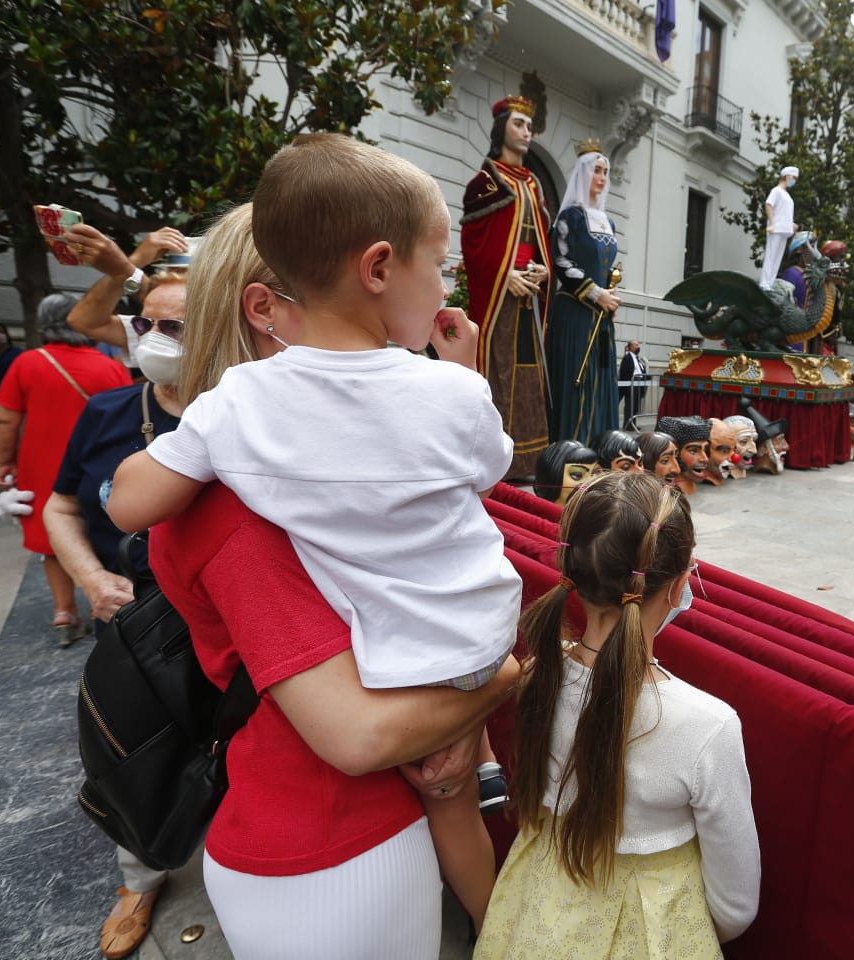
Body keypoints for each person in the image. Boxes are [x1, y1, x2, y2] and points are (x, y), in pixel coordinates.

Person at [107, 136, 519, 938]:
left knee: (450, 802)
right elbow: (488, 469)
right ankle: (505, 935)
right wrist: (505, 679)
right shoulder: (446, 395)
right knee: (457, 810)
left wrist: (178, 456)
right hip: (435, 698)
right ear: (376, 268)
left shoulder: (235, 411)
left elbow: (128, 505)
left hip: (389, 683)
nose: (443, 287)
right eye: (438, 266)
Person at [474, 471, 760, 958]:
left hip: (535, 910)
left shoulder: (539, 672)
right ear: (679, 582)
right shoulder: (708, 727)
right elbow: (735, 907)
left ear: (572, 566)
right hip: (658, 932)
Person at [42, 212, 226, 958]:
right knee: (134, 757)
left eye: (177, 329)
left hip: (222, 628)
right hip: (133, 630)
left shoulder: (240, 413)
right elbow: (59, 505)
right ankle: (139, 879)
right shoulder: (109, 410)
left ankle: (238, 874)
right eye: (148, 324)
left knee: (230, 757)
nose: (156, 341)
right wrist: (89, 576)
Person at [0, 294, 132, 645]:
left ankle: (63, 612)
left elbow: (5, 418)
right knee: (99, 531)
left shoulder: (27, 362)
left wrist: (4, 461)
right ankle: (106, 602)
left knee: (53, 536)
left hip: (43, 464)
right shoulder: (109, 365)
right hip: (100, 465)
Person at [461, 95, 553, 477]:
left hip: (527, 294)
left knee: (529, 374)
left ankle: (531, 458)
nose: (526, 132)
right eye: (519, 124)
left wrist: (542, 270)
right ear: (502, 129)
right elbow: (474, 244)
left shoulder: (532, 184)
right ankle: (499, 458)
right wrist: (505, 275)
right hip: (502, 294)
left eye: (529, 126)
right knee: (500, 370)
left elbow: (539, 237)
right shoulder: (486, 181)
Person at [546, 149, 621, 444]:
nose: (602, 178)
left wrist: (611, 294)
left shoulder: (609, 223)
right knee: (578, 380)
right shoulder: (571, 218)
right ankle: (574, 448)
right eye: (596, 170)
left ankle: (602, 447)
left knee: (601, 376)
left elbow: (608, 267)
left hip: (602, 317)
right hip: (575, 312)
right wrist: (596, 293)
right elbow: (562, 262)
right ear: (582, 174)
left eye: (605, 172)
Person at [64, 225, 192, 366]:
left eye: (173, 327)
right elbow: (84, 320)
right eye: (143, 323)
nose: (153, 335)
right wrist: (132, 263)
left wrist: (127, 266)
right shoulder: (154, 329)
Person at [758, 165, 798, 289]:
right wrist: (772, 223)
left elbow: (783, 213)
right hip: (776, 228)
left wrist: (791, 225)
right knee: (771, 255)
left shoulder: (787, 195)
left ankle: (770, 282)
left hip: (784, 230)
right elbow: (768, 205)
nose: (794, 180)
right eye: (793, 177)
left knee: (777, 257)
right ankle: (764, 283)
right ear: (787, 176)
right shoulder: (776, 191)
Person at [619, 340, 649, 425]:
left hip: (639, 384)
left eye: (638, 345)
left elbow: (642, 370)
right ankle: (628, 425)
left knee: (635, 406)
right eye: (636, 345)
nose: (638, 346)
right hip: (632, 384)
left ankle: (633, 424)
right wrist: (627, 386)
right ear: (631, 347)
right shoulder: (627, 358)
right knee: (630, 406)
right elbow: (624, 372)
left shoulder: (638, 358)